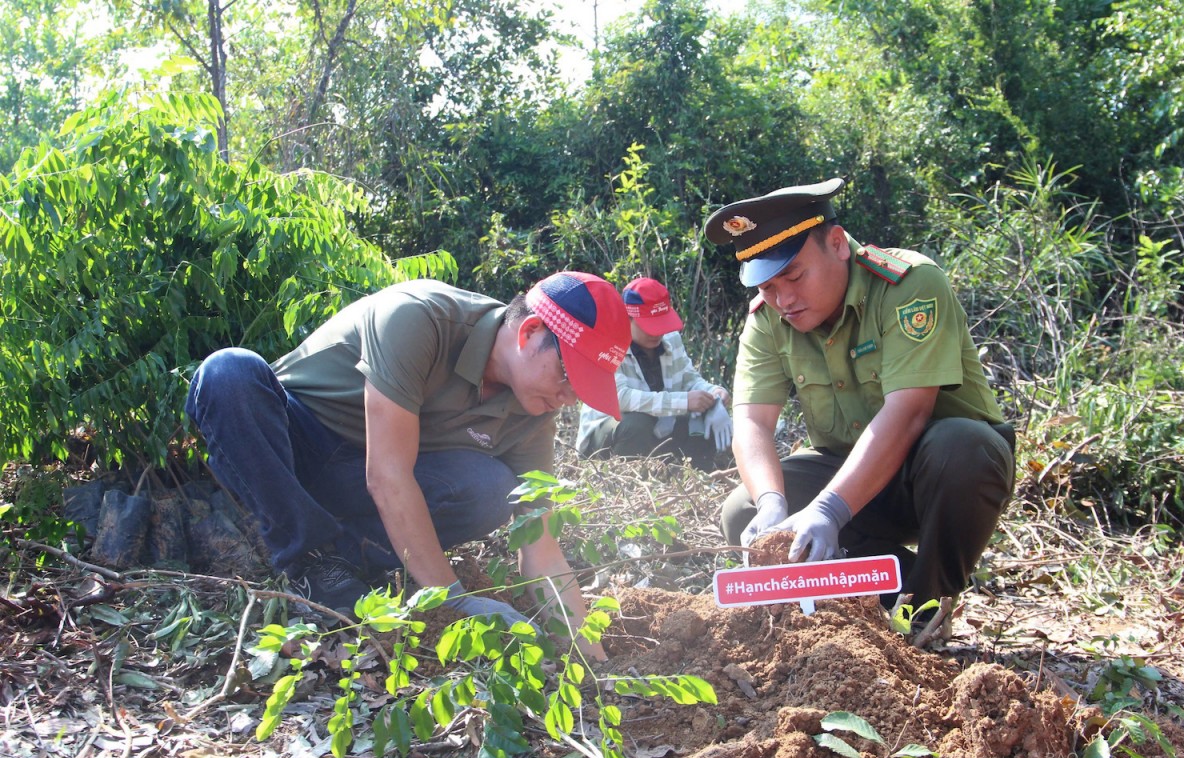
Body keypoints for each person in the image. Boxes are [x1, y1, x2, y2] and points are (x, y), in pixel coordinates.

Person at [186, 271, 630, 658]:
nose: (568, 399)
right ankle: (308, 560)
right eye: (568, 376)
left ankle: (342, 556)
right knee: (229, 372)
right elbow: (388, 476)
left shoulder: (535, 414)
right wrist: (453, 600)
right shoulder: (420, 317)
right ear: (530, 332)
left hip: (361, 483)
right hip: (291, 450)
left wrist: (588, 655)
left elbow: (543, 547)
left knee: (492, 489)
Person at [704, 178, 1015, 622]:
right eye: (767, 288)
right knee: (743, 510)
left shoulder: (908, 284)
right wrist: (772, 501)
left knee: (965, 448)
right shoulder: (769, 317)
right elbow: (751, 423)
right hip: (852, 477)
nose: (783, 299)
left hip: (936, 478)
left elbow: (909, 413)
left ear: (837, 244)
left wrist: (829, 509)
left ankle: (926, 609)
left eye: (793, 276)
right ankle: (875, 601)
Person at [575, 277, 732, 470]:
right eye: (648, 325)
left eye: (661, 324)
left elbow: (689, 380)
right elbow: (619, 399)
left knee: (700, 413)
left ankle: (694, 473)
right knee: (635, 422)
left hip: (658, 431)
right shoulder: (608, 345)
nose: (656, 333)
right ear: (627, 319)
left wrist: (713, 392)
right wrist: (683, 401)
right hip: (605, 439)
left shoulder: (671, 339)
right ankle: (626, 482)